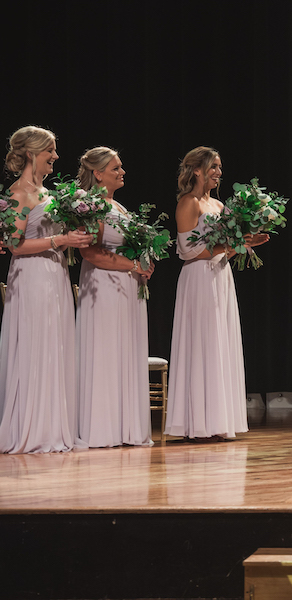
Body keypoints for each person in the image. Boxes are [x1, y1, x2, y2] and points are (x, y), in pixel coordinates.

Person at [0, 126, 94, 453]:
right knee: (36, 345)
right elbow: (14, 245)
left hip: (55, 272)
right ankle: (32, 428)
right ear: (31, 154)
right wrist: (62, 240)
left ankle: (56, 426)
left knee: (57, 346)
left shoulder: (49, 194)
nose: (55, 156)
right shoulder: (18, 194)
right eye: (49, 151)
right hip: (32, 276)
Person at [165, 147, 267, 442]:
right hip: (198, 278)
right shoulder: (188, 203)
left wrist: (247, 243)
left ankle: (218, 420)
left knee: (219, 341)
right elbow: (187, 251)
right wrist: (229, 246)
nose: (219, 173)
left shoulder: (219, 206)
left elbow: (224, 247)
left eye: (220, 168)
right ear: (197, 170)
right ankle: (195, 421)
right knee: (202, 341)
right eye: (214, 167)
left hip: (220, 274)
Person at [76, 147, 155, 447]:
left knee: (125, 350)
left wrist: (145, 261)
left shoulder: (117, 206)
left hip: (127, 287)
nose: (122, 172)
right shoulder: (90, 205)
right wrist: (133, 264)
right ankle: (103, 427)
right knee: (106, 351)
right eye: (115, 168)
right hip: (104, 287)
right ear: (98, 173)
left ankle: (125, 427)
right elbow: (91, 252)